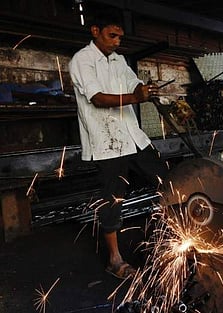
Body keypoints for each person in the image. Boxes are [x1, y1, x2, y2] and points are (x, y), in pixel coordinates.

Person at [69, 9, 168, 279]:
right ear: (95, 31)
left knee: (166, 181)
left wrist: (145, 89)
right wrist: (136, 98)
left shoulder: (118, 60)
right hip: (107, 142)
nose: (116, 41)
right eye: (112, 35)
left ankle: (174, 236)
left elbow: (133, 83)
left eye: (119, 37)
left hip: (133, 137)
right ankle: (114, 260)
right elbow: (98, 99)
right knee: (114, 200)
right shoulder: (82, 61)